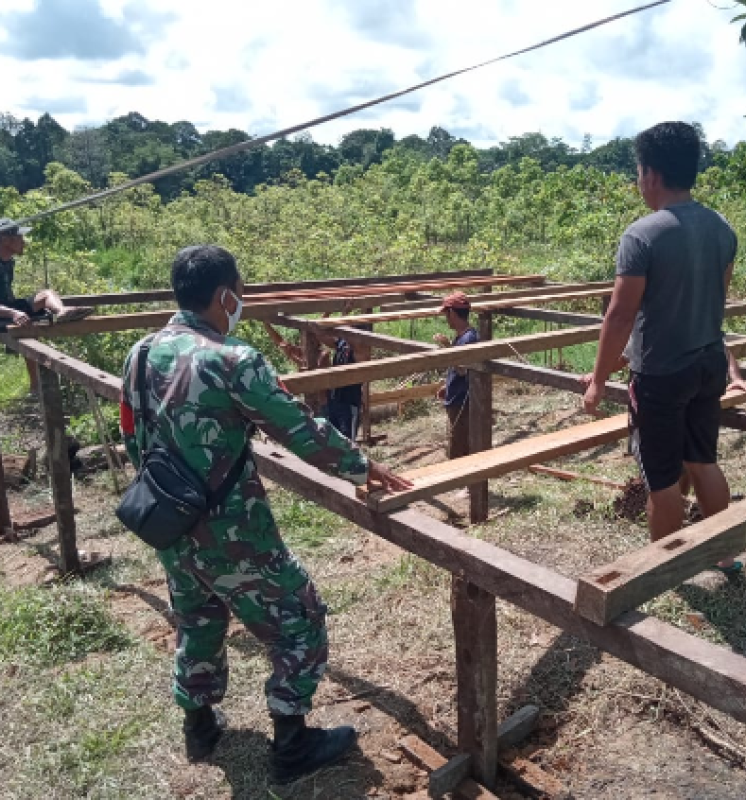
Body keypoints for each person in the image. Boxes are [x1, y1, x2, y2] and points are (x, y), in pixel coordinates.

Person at [118, 245, 412, 780]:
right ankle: (292, 744)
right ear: (225, 294)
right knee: (300, 620)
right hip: (233, 531)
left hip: (169, 522)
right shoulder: (232, 359)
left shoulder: (140, 352)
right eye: (240, 291)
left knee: (198, 617)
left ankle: (200, 727)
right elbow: (296, 426)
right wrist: (358, 465)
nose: (242, 302)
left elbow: (130, 430)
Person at [581, 122, 746, 573]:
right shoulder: (721, 227)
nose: (639, 181)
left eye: (639, 172)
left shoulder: (642, 235)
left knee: (661, 479)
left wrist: (598, 380)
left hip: (661, 375)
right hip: (707, 364)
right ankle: (725, 554)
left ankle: (665, 570)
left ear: (652, 174)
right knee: (703, 460)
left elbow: (620, 315)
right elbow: (716, 300)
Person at [0, 217, 94, 393]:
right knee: (28, 328)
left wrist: (23, 309)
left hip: (2, 305)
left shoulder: (8, 261)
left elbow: (5, 293)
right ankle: (35, 386)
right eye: (20, 237)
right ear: (5, 240)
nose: (24, 241)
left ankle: (61, 312)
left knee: (46, 295)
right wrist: (14, 314)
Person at [262, 318, 371, 441]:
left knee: (347, 442)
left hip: (347, 403)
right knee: (331, 440)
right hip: (331, 402)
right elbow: (320, 334)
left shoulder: (360, 352)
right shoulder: (342, 343)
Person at [432, 292, 480, 459]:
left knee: (459, 446)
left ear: (452, 313)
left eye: (447, 314)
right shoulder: (462, 337)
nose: (446, 318)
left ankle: (462, 481)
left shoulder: (469, 338)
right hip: (456, 398)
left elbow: (464, 369)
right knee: (457, 440)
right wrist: (448, 385)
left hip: (462, 402)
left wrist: (447, 348)